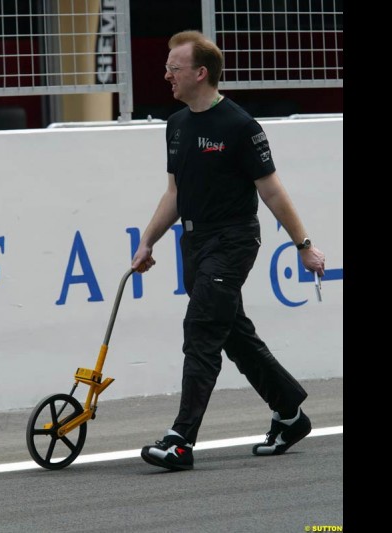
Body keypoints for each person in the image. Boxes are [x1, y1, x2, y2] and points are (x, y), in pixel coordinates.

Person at [131, 30, 326, 471]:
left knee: (201, 331)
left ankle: (181, 440)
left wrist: (304, 246)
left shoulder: (240, 126)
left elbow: (272, 191)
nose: (166, 75)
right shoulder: (176, 125)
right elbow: (174, 194)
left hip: (233, 241)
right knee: (233, 334)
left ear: (201, 73)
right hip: (194, 242)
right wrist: (148, 240)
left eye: (174, 68)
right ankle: (290, 413)